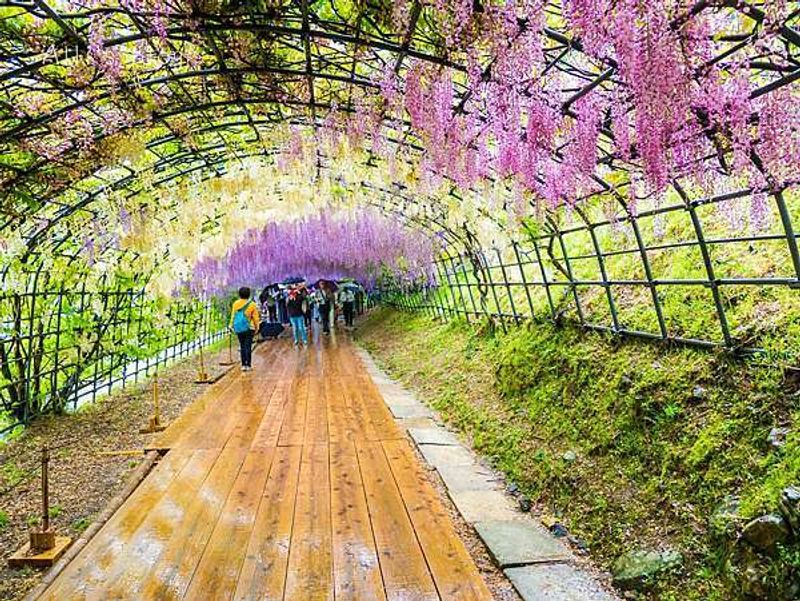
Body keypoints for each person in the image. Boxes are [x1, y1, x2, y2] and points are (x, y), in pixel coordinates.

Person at [230, 286, 260, 371]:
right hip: (249, 328)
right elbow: (255, 318)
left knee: (242, 346)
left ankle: (243, 365)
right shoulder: (252, 304)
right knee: (248, 346)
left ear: (239, 294)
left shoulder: (235, 304)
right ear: (249, 294)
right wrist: (257, 328)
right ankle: (248, 365)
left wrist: (231, 326)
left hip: (239, 327)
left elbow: (233, 316)